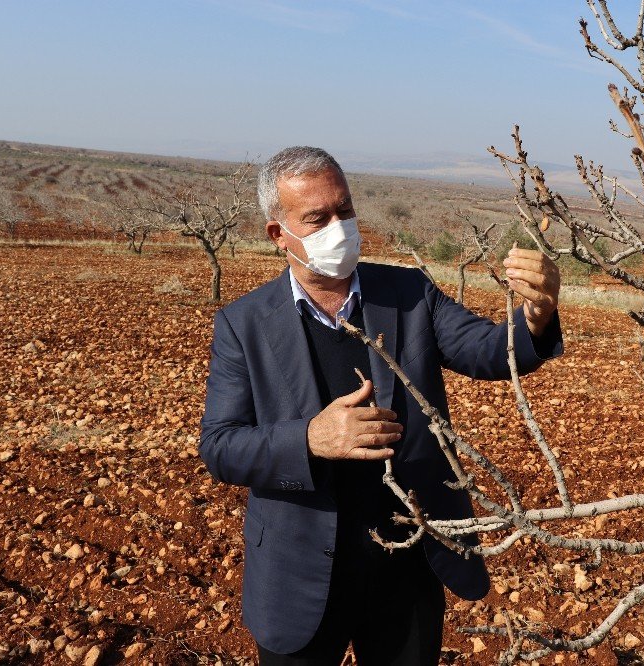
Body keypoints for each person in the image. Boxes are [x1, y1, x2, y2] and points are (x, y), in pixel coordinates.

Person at [199, 146, 563, 665]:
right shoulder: (244, 325)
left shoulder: (408, 293)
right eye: (317, 218)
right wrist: (310, 439)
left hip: (408, 566)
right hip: (299, 575)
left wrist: (536, 316)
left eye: (344, 211)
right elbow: (220, 445)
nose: (338, 227)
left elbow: (486, 350)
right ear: (279, 235)